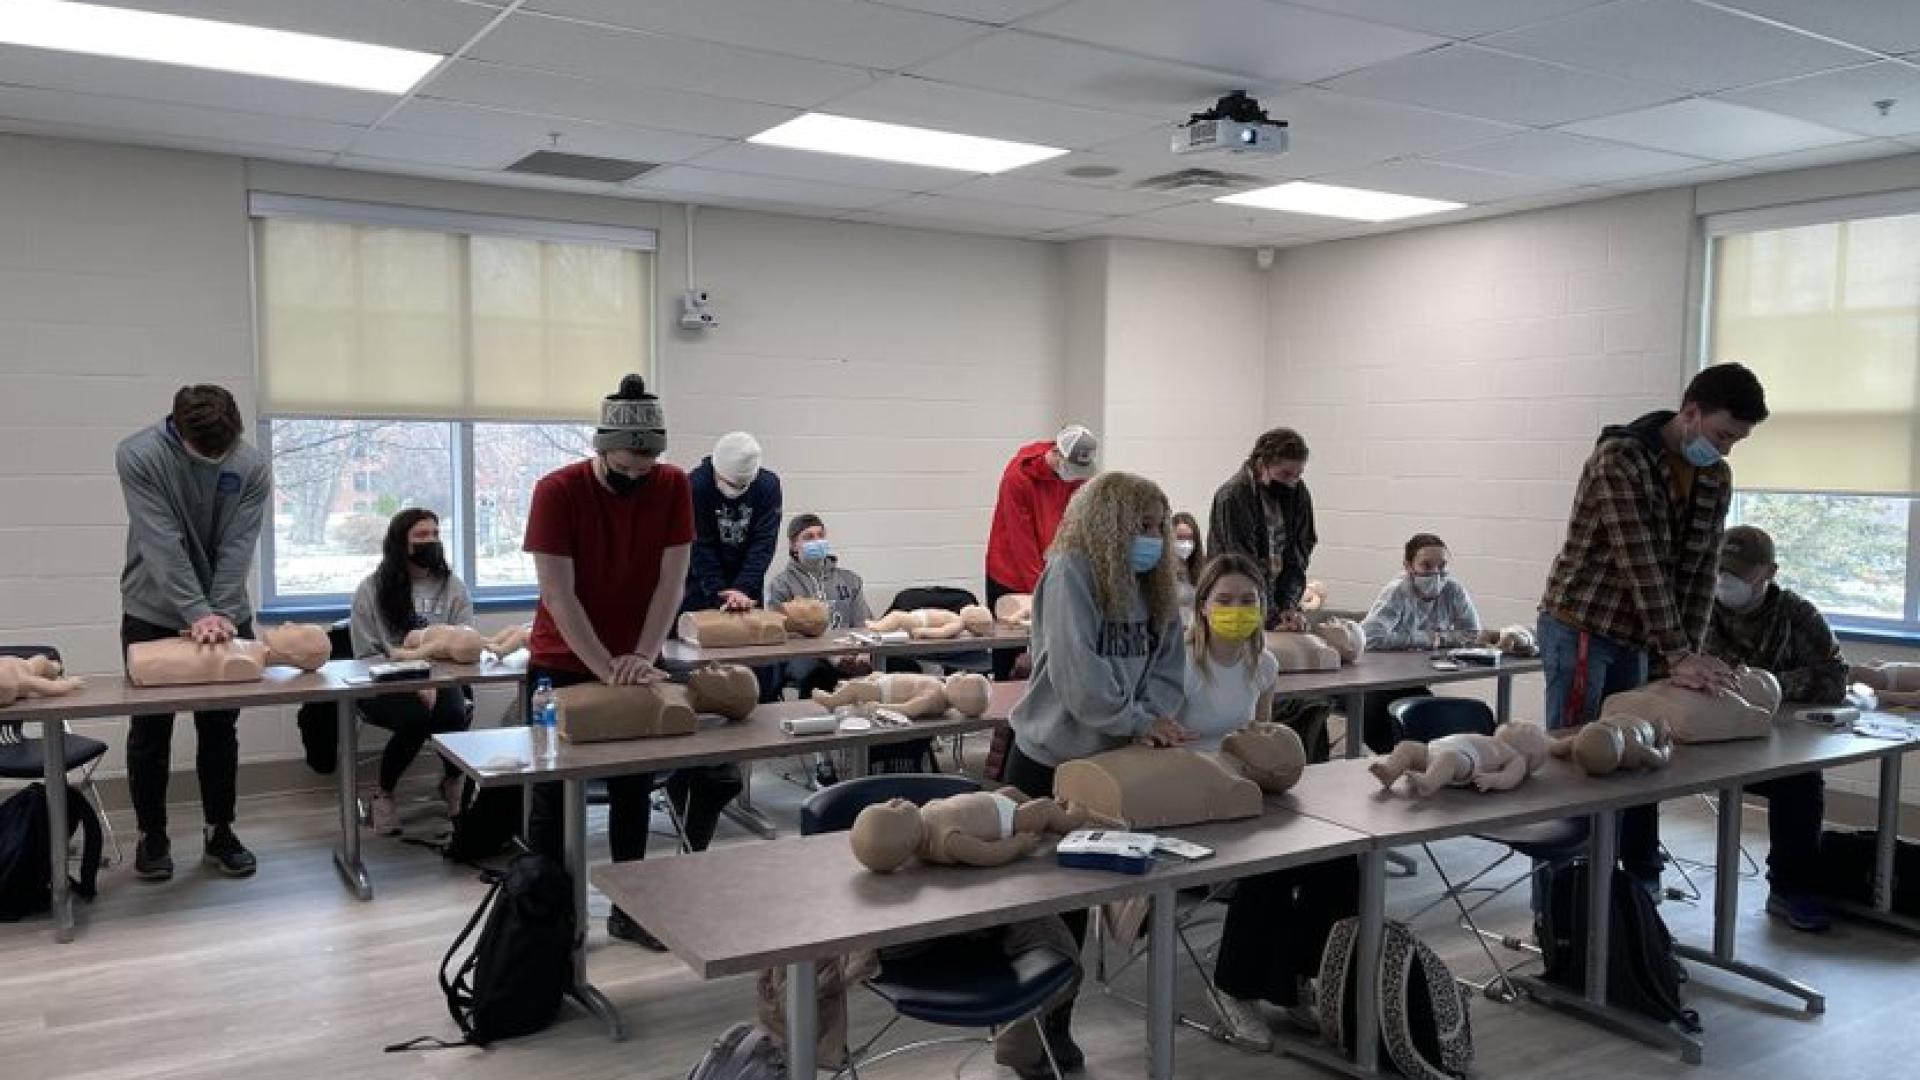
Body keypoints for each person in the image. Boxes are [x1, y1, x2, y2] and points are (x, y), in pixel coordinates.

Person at [524, 375, 741, 951]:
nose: (638, 478)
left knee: (633, 784)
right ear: (601, 450)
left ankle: (629, 907)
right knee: (551, 791)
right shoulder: (557, 491)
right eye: (626, 468)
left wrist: (643, 657)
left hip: (636, 657)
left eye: (647, 467)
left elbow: (673, 581)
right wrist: (603, 665)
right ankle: (549, 915)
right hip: (565, 658)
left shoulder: (671, 485)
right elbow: (558, 594)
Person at [1538, 362, 1768, 897]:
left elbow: (1700, 569)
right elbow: (1637, 561)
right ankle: (1561, 903)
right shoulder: (1620, 460)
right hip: (1584, 626)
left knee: (1639, 751)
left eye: (1737, 440)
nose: (1727, 449)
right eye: (1722, 435)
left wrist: (1685, 656)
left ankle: (1630, 888)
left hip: (1642, 633)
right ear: (1690, 412)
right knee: (1580, 757)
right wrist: (1677, 652)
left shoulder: (1714, 475)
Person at [1005, 471, 1187, 1070]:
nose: (1154, 538)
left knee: (1084, 905)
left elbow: (1169, 664)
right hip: (1053, 760)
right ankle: (1031, 1033)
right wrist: (1136, 718)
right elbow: (1079, 677)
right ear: (1108, 524)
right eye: (1142, 525)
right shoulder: (1071, 571)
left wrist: (1152, 716)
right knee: (1047, 916)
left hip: (1113, 761)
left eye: (1159, 525)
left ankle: (1053, 1023)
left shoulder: (1153, 583)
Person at [1174, 553, 1357, 1047]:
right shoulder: (1183, 662)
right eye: (1225, 599)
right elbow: (1158, 745)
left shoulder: (1263, 664)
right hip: (1185, 798)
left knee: (1339, 859)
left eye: (1248, 600)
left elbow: (1261, 734)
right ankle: (1234, 988)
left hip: (1244, 792)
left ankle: (1294, 977)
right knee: (1270, 864)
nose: (1237, 608)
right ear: (1204, 607)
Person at [118, 384, 271, 881]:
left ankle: (220, 831)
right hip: (153, 607)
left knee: (219, 728)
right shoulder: (138, 456)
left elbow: (238, 546)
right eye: (204, 451)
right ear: (177, 429)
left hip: (225, 612)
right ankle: (152, 836)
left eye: (220, 452)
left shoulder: (250, 466)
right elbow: (161, 540)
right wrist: (194, 610)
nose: (213, 460)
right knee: (150, 730)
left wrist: (221, 612)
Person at [1704, 525, 1847, 932]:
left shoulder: (1796, 616)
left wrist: (1770, 685)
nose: (1725, 582)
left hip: (1773, 742)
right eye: (1720, 570)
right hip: (1707, 739)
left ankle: (1789, 887)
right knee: (1642, 769)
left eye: (1738, 573)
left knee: (1802, 781)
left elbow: (1835, 678)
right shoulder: (1698, 611)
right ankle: (1641, 875)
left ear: (1768, 573)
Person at [348, 508, 474, 836]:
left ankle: (452, 782)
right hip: (383, 683)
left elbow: (463, 644)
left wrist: (432, 678)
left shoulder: (452, 587)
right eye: (421, 536)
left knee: (453, 715)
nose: (431, 541)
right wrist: (411, 680)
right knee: (416, 717)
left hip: (442, 678)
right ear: (400, 543)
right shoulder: (371, 589)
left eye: (435, 534)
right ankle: (384, 795)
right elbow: (366, 655)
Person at [985, 424, 1099, 680]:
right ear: (1057, 453)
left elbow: (1078, 528)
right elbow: (1020, 542)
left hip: (1052, 568)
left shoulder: (1077, 477)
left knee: (1054, 648)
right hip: (1010, 573)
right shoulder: (1018, 478)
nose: (1076, 476)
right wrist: (1044, 592)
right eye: (1071, 468)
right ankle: (1006, 713)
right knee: (1010, 652)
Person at [1355, 533, 1483, 753]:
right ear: (1408, 566)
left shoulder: (1453, 590)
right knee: (1382, 719)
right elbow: (1371, 637)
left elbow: (1472, 633)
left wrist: (1439, 639)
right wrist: (1425, 638)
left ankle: (1426, 761)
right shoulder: (1397, 591)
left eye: (1442, 566)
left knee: (1432, 717)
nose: (1435, 573)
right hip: (1381, 677)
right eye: (1426, 565)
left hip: (1416, 674)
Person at [684, 430, 783, 700]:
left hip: (745, 590)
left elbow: (763, 543)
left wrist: (742, 589)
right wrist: (718, 591)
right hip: (701, 587)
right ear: (716, 469)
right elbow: (699, 545)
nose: (735, 491)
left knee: (754, 668)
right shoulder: (695, 485)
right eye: (730, 484)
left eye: (742, 486)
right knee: (700, 671)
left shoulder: (767, 485)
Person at [1208, 427, 1317, 631]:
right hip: (1236, 597)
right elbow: (1243, 562)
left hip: (1275, 594)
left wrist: (1288, 606)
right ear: (1261, 464)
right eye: (1285, 474)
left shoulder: (1298, 493)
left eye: (1298, 475)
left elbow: (1300, 553)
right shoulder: (1233, 496)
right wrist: (1272, 616)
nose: (1292, 482)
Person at [766, 513, 873, 698]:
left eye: (820, 535)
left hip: (849, 651)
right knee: (817, 674)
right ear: (793, 546)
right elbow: (784, 634)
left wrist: (864, 652)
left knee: (901, 665)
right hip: (806, 657)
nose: (817, 541)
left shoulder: (850, 580)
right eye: (808, 537)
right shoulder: (782, 585)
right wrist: (832, 657)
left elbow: (864, 623)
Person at [1171, 511, 1204, 624]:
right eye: (1179, 538)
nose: (1185, 543)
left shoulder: (1202, 569)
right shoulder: (1162, 572)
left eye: (1189, 538)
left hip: (1195, 632)